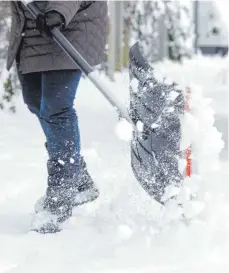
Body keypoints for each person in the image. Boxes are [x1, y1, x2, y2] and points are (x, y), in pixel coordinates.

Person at [7, 1, 108, 233]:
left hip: (68, 27)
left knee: (56, 107)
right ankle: (79, 180)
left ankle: (60, 196)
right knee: (35, 102)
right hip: (32, 31)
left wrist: (58, 12)